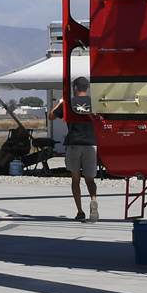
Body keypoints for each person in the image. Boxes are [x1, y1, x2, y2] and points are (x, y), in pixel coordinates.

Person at [50, 76, 98, 222]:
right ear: (86, 88)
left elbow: (52, 116)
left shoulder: (69, 103)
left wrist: (60, 101)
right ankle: (93, 199)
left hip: (74, 144)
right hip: (91, 144)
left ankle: (80, 211)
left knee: (75, 180)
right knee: (90, 179)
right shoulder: (93, 102)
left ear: (75, 88)